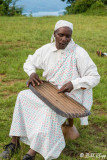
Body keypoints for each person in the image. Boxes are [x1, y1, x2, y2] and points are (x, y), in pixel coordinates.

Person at [0, 20, 100, 160]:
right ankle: (14, 143)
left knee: (48, 109)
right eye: (61, 35)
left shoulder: (79, 53)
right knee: (23, 96)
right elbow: (29, 62)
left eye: (68, 36)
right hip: (49, 90)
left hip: (71, 95)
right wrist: (32, 73)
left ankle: (31, 153)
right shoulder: (46, 49)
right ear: (54, 34)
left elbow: (94, 77)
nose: (64, 39)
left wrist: (74, 83)